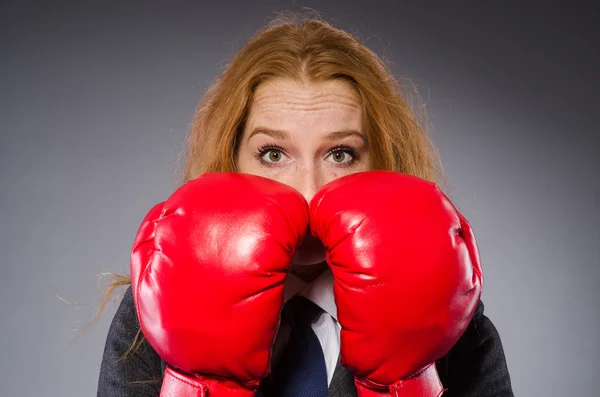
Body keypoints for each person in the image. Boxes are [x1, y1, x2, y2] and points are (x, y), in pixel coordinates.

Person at [96, 14, 513, 397]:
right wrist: (203, 384)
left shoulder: (446, 316)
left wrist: (405, 382)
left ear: (383, 163)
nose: (308, 190)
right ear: (231, 161)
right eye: (274, 154)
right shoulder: (156, 311)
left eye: (340, 154)